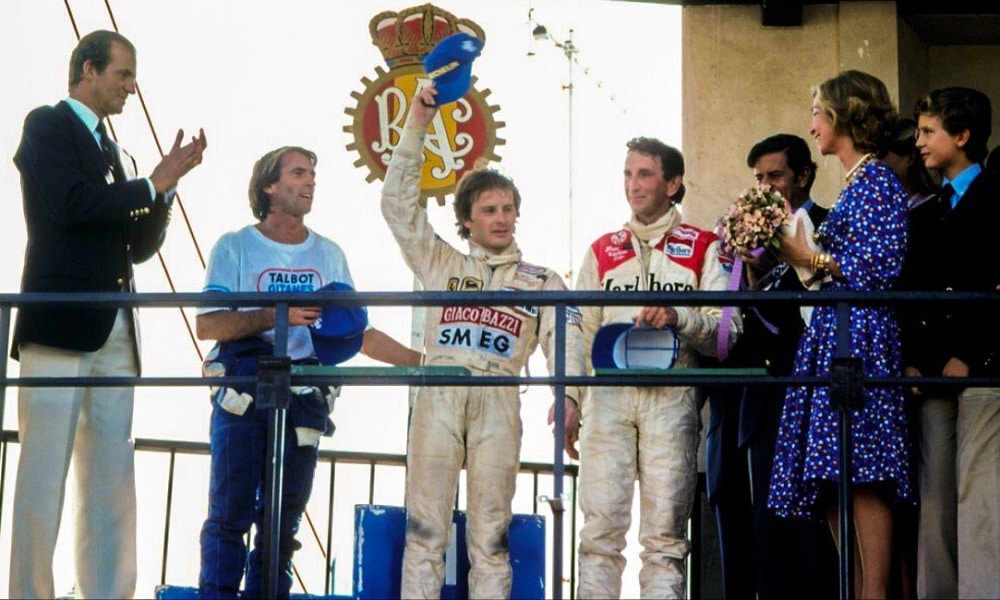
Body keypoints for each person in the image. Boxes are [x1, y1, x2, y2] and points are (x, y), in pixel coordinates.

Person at [8, 29, 207, 599]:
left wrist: (164, 192)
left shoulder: (117, 154)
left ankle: (108, 593)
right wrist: (151, 182)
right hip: (61, 324)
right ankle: (28, 594)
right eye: (122, 74)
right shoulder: (46, 124)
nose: (130, 86)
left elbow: (135, 245)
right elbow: (70, 205)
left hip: (116, 327)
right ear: (88, 70)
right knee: (43, 471)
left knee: (110, 477)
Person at [381, 84, 584, 599]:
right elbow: (397, 207)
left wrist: (569, 397)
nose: (500, 218)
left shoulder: (543, 280)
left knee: (491, 535)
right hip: (439, 390)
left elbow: (566, 343)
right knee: (424, 530)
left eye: (508, 208)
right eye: (489, 210)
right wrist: (418, 125)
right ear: (467, 219)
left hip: (499, 396)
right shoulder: (441, 261)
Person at [196, 145, 422, 599]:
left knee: (282, 522)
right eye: (299, 173)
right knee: (230, 513)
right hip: (245, 388)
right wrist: (277, 315)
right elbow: (209, 322)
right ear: (269, 186)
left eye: (313, 174)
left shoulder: (329, 254)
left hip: (302, 395)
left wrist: (423, 364)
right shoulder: (236, 245)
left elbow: (356, 333)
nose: (311, 181)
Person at [769, 69, 912, 599]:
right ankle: (854, 589)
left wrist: (812, 256)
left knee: (863, 472)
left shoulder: (878, 182)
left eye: (816, 113)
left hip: (862, 337)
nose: (811, 124)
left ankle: (872, 593)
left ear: (842, 116)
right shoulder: (855, 183)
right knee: (832, 476)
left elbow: (878, 266)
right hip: (834, 332)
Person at [574, 135, 737, 598]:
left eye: (644, 174)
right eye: (627, 174)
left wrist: (677, 316)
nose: (633, 185)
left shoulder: (705, 247)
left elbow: (729, 330)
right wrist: (568, 399)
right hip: (608, 398)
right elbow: (579, 335)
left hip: (672, 395)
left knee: (665, 539)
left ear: (673, 183)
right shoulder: (602, 249)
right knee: (599, 535)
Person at [705, 133, 838, 599]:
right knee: (755, 523)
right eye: (759, 178)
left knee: (805, 530)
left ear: (803, 175)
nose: (766, 187)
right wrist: (751, 272)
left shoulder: (825, 224)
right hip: (752, 400)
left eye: (775, 176)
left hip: (804, 397)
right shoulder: (744, 239)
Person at [907, 87, 1000, 599]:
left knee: (979, 501)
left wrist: (973, 355)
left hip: (985, 375)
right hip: (935, 378)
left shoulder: (999, 198)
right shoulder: (926, 209)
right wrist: (916, 363)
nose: (918, 142)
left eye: (928, 131)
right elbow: (915, 296)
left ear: (962, 136)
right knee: (936, 503)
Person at [884, 116, 942, 600]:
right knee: (901, 502)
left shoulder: (932, 211)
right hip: (897, 364)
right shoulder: (893, 211)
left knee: (924, 499)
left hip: (926, 366)